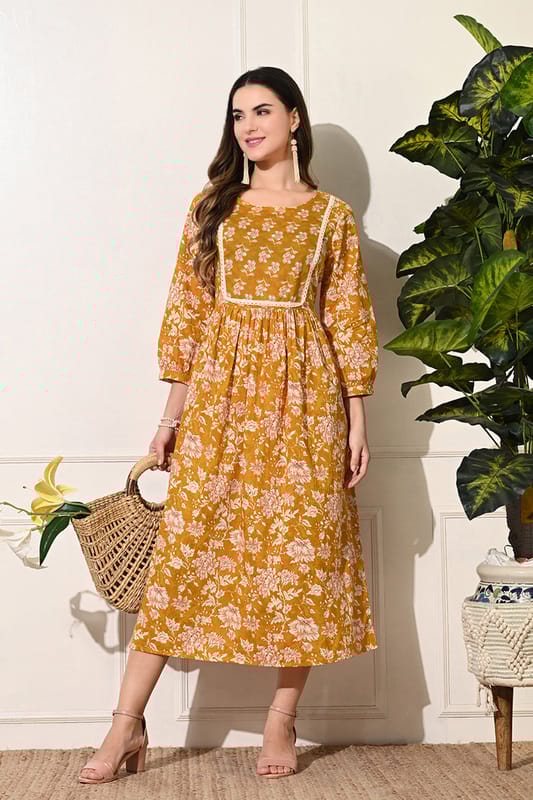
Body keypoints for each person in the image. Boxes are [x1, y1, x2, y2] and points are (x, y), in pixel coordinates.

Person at [78, 65, 378, 784]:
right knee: (182, 560)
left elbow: (347, 319)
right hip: (220, 404)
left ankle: (280, 721)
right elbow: (187, 312)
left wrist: (357, 421)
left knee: (302, 560)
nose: (248, 126)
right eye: (238, 114)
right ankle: (125, 725)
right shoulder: (213, 206)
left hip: (307, 408)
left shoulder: (331, 217)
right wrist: (168, 421)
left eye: (263, 111)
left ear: (294, 118)